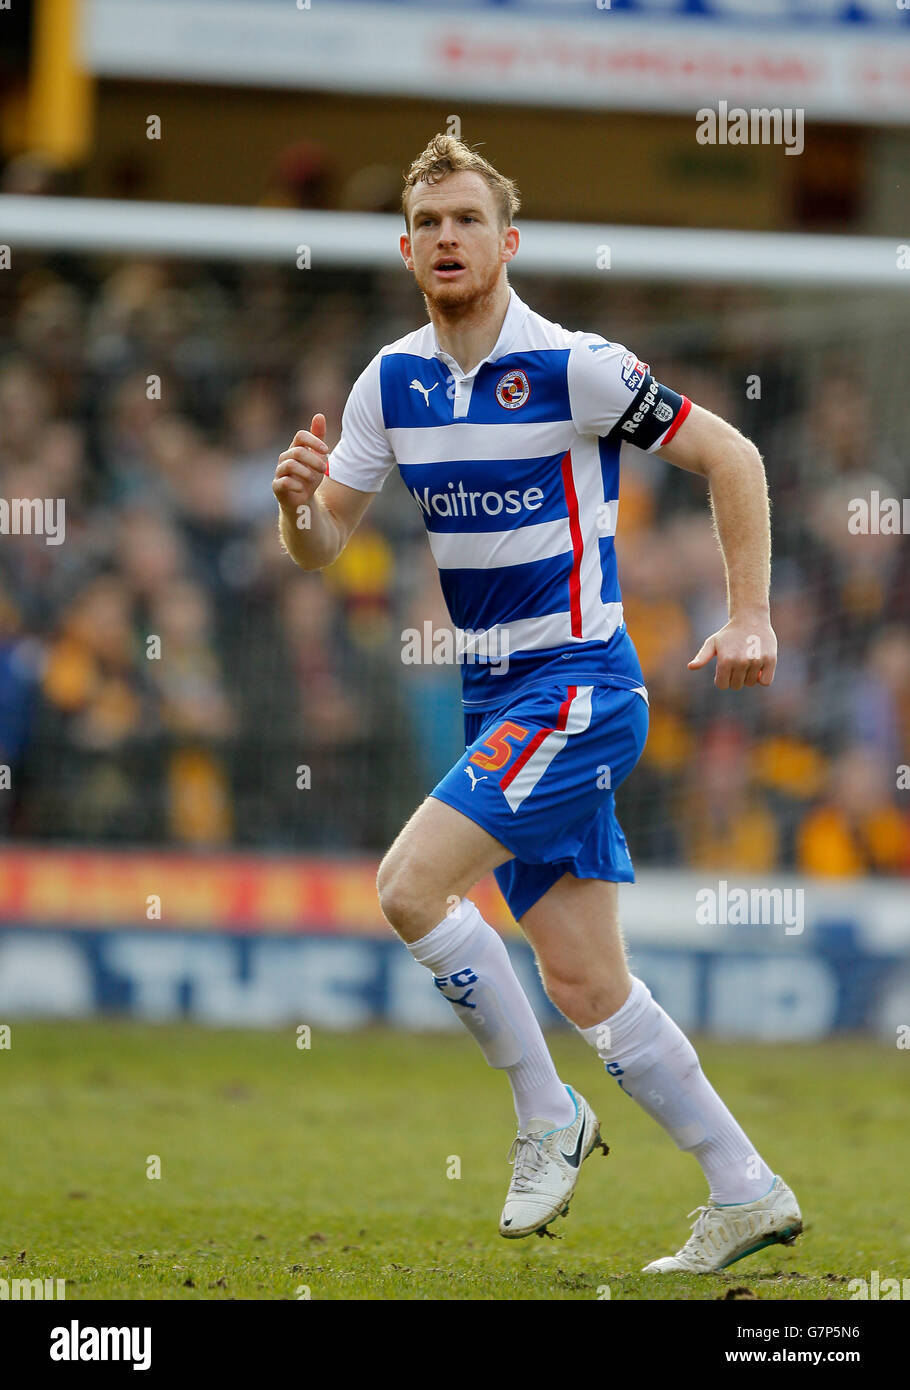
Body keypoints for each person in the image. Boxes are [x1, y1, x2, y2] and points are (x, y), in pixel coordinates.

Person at [272, 134, 802, 1273]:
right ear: (406, 248)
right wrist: (296, 510)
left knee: (408, 887)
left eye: (467, 220)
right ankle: (745, 1188)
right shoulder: (389, 382)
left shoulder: (577, 367)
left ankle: (545, 1115)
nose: (447, 238)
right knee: (583, 980)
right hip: (493, 696)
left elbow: (735, 455)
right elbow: (324, 549)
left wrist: (750, 613)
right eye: (428, 224)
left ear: (506, 243)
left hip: (580, 688)